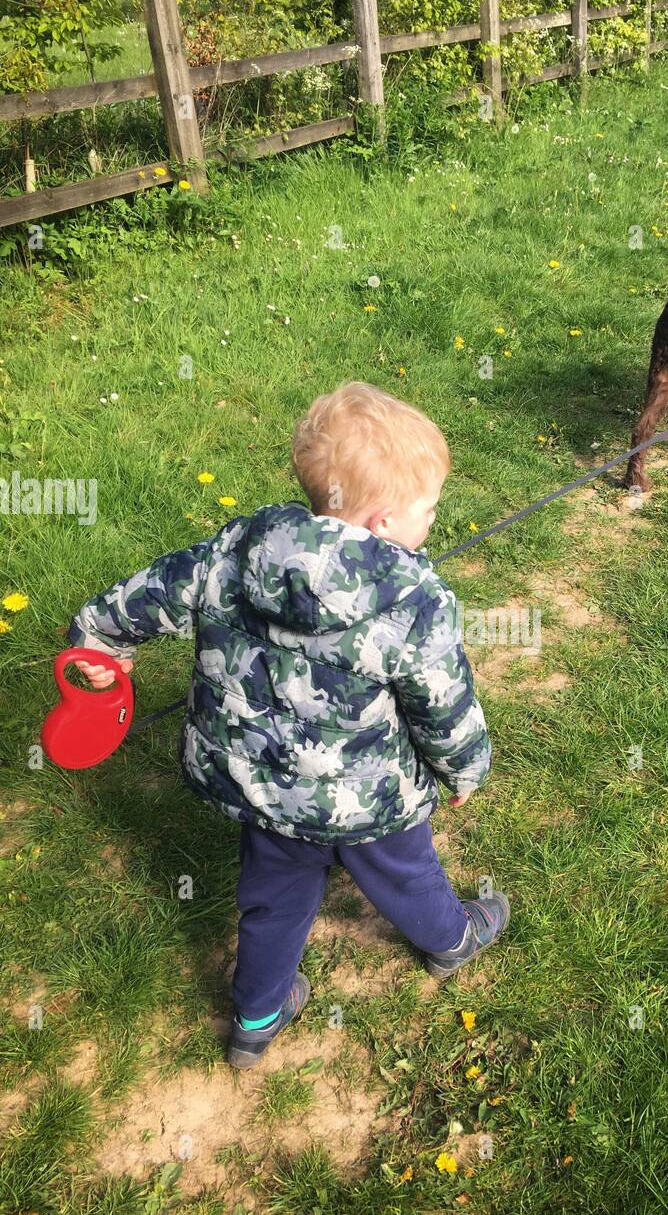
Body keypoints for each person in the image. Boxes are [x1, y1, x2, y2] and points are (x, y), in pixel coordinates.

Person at [67, 381, 509, 1068]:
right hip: (370, 800)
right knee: (405, 871)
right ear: (385, 521)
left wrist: (98, 644)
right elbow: (442, 706)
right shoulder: (414, 602)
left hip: (262, 791)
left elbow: (145, 595)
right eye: (430, 508)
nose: (434, 520)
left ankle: (256, 1018)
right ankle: (450, 940)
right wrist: (465, 770)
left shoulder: (239, 548)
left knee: (272, 899)